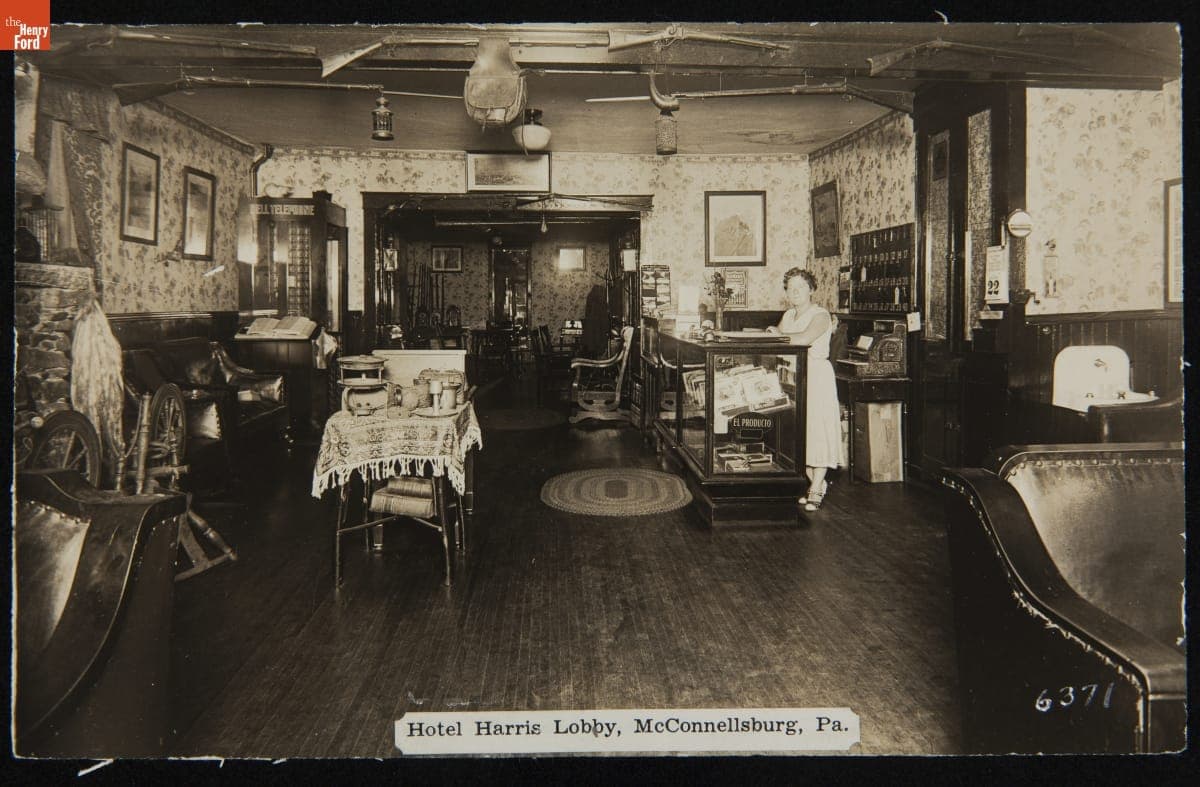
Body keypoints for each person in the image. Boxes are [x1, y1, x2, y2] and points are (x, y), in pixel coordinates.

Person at [765, 267, 842, 511]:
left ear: (811, 289)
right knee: (800, 433)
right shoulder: (788, 315)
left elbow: (803, 339)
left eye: (800, 286)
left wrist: (778, 334)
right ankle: (815, 482)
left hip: (816, 377)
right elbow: (777, 344)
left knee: (818, 432)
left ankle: (817, 487)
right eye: (790, 288)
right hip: (792, 377)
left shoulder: (821, 315)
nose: (795, 291)